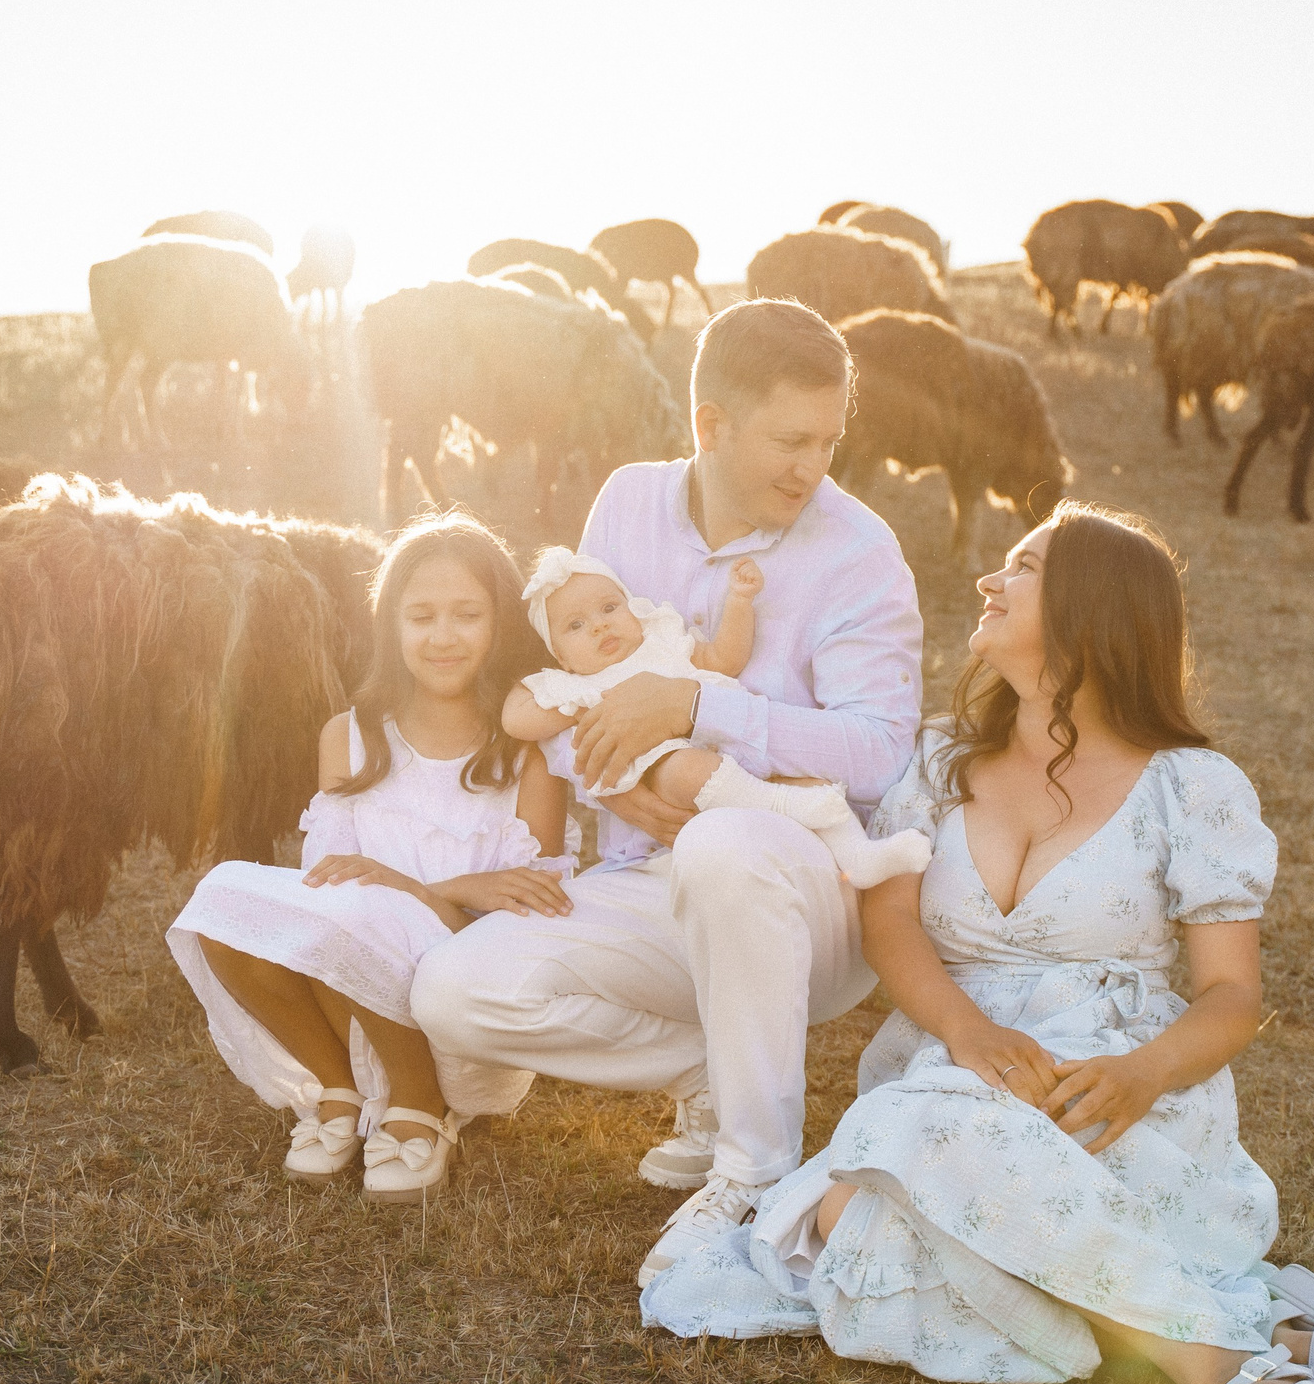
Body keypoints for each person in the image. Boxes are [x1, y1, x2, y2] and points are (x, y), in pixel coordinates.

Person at [639, 503, 1314, 1384]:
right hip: (954, 1072)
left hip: (1106, 1095)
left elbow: (1234, 997)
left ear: (1093, 612)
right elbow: (894, 932)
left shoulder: (1191, 788)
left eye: (1023, 566)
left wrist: (1143, 1073)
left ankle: (1222, 1374)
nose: (988, 581)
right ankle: (1253, 1335)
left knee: (886, 1209)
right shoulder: (938, 765)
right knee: (848, 1213)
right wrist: (965, 1033)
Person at [409, 298, 925, 1276]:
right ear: (710, 425)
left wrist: (694, 708)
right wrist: (602, 781)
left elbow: (880, 754)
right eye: (789, 440)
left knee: (722, 845)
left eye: (828, 440)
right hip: (649, 878)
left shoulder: (860, 554)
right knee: (455, 991)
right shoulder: (626, 502)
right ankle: (717, 1070)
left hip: (804, 886)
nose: (811, 468)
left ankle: (756, 1172)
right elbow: (576, 681)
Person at [163, 514, 575, 1201]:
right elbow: (325, 894)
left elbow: (525, 923)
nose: (442, 635)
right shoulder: (349, 738)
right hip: (348, 1008)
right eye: (421, 616)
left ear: (501, 623)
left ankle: (422, 1103)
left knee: (365, 904)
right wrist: (441, 885)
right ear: (391, 627)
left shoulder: (530, 757)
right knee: (222, 895)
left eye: (467, 614)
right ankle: (340, 1086)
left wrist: (407, 888)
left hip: (459, 1023)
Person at [502, 547, 933, 888]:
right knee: (686, 770)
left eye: (609, 608)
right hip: (669, 770)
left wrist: (740, 603)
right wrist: (577, 707)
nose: (599, 626)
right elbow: (515, 721)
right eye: (575, 626)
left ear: (633, 607)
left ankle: (858, 856)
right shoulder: (580, 686)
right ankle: (790, 807)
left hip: (730, 741)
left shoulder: (665, 640)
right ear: (558, 655)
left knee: (812, 781)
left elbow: (725, 658)